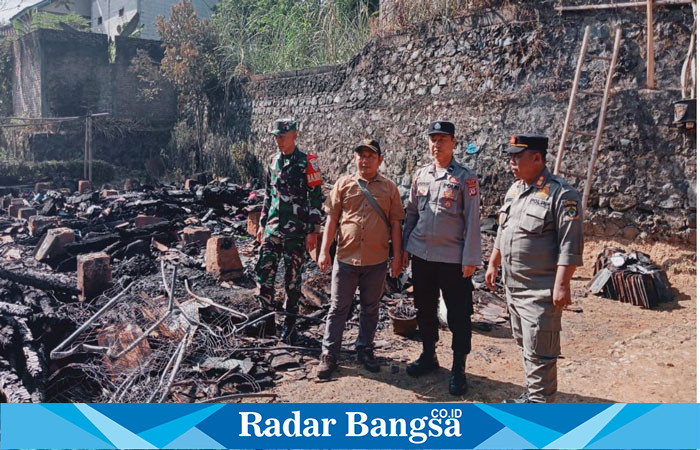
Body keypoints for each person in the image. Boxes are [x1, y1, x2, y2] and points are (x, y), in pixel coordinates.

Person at [485, 134, 584, 403]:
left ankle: (540, 413)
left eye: (518, 157)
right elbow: (503, 231)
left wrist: (562, 285)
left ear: (537, 158)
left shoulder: (562, 195)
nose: (511, 162)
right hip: (514, 289)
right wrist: (494, 262)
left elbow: (570, 245)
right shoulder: (515, 190)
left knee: (541, 355)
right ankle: (532, 396)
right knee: (526, 347)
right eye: (510, 156)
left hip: (540, 293)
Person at [402, 120, 481, 396]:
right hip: (422, 255)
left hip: (452, 258)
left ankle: (459, 367)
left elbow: (472, 220)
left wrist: (471, 258)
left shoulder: (465, 178)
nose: (437, 145)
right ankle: (428, 355)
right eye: (433, 140)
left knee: (459, 314)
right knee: (424, 307)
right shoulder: (421, 175)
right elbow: (411, 214)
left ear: (454, 143)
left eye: (443, 140)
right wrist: (403, 250)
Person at [316, 139, 405, 379]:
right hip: (345, 259)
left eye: (370, 156)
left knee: (370, 308)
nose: (365, 160)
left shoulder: (389, 188)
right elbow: (332, 220)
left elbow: (396, 224)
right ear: (354, 158)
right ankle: (329, 353)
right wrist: (324, 250)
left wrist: (397, 257)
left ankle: (365, 349)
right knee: (337, 308)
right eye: (361, 155)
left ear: (380, 160)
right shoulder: (344, 184)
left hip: (376, 261)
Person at [255, 117, 323, 343]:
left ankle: (290, 324)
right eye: (275, 136)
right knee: (264, 274)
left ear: (294, 135)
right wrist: (262, 224)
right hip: (272, 229)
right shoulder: (272, 161)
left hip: (296, 232)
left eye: (281, 136)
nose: (277, 140)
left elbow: (316, 198)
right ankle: (266, 320)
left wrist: (313, 231)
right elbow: (268, 194)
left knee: (292, 281)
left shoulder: (308, 162)